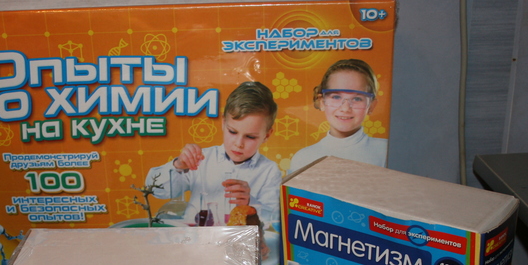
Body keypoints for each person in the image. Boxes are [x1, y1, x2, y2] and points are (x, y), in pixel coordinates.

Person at [145, 81, 281, 229]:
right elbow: (155, 190)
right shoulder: (201, 158)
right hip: (195, 239)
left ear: (267, 135)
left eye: (250, 137)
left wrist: (250, 204)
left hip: (239, 241)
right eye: (232, 132)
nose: (238, 143)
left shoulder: (269, 170)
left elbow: (272, 220)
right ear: (223, 123)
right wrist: (178, 166)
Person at [289, 58, 387, 173]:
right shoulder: (303, 158)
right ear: (322, 102)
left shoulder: (386, 151)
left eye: (357, 99)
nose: (345, 108)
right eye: (336, 97)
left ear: (371, 106)